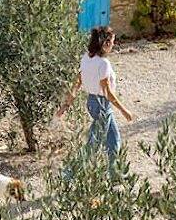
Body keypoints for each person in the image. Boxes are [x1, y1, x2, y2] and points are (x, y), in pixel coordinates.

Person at [57, 26, 134, 160]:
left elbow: (77, 83)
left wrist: (66, 105)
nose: (113, 45)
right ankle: (72, 173)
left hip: (91, 103)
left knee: (113, 139)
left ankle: (114, 173)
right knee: (93, 144)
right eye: (112, 42)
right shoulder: (103, 63)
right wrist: (124, 110)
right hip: (102, 105)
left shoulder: (86, 58)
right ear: (106, 43)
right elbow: (107, 92)